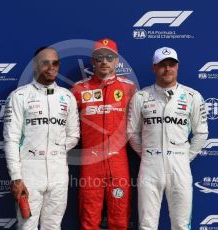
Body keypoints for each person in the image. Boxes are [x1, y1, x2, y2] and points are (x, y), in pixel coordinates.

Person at [127, 47, 209, 230]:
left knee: (181, 224)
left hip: (180, 163)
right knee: (147, 224)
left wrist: (185, 156)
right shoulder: (141, 97)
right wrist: (148, 154)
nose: (167, 69)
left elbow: (201, 132)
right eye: (162, 65)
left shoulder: (192, 96)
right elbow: (132, 132)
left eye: (171, 65)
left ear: (177, 67)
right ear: (154, 68)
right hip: (150, 164)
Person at [3, 47, 80, 229]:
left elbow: (74, 134)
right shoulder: (19, 96)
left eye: (55, 63)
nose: (51, 67)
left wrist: (57, 149)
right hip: (29, 172)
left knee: (53, 225)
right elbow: (11, 138)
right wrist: (16, 177)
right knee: (27, 225)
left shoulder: (67, 97)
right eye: (45, 63)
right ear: (35, 65)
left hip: (58, 172)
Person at [71, 38, 137, 230]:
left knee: (120, 217)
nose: (104, 61)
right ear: (93, 61)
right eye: (99, 57)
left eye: (110, 57)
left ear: (117, 61)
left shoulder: (129, 89)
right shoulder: (78, 89)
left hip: (118, 162)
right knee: (89, 217)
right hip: (90, 163)